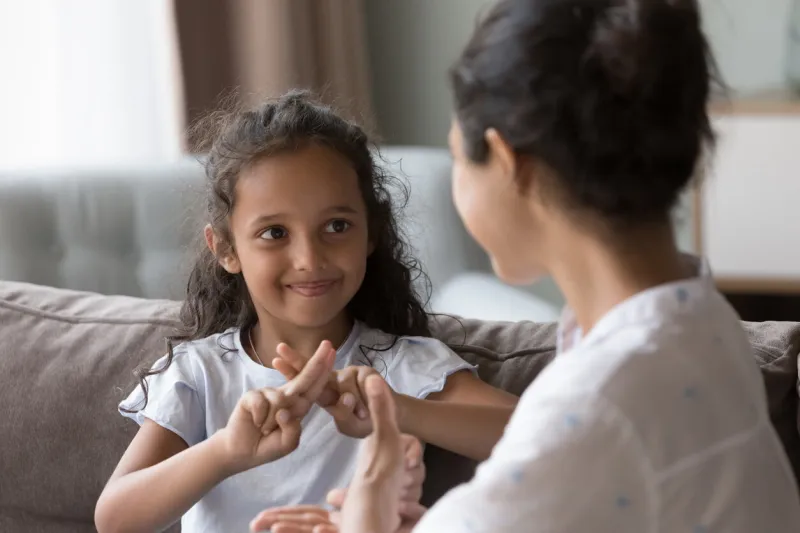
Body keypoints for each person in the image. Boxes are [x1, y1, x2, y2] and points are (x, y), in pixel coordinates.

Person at [268, 0, 800, 531]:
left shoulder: (597, 406)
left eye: (458, 156)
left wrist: (365, 519)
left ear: (506, 162)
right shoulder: (705, 324)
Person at [94, 91, 518, 533]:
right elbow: (115, 518)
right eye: (275, 232)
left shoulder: (398, 365)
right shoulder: (199, 374)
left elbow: (532, 433)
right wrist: (226, 452)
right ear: (225, 248)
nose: (309, 259)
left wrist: (395, 410)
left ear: (371, 233)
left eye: (336, 226)